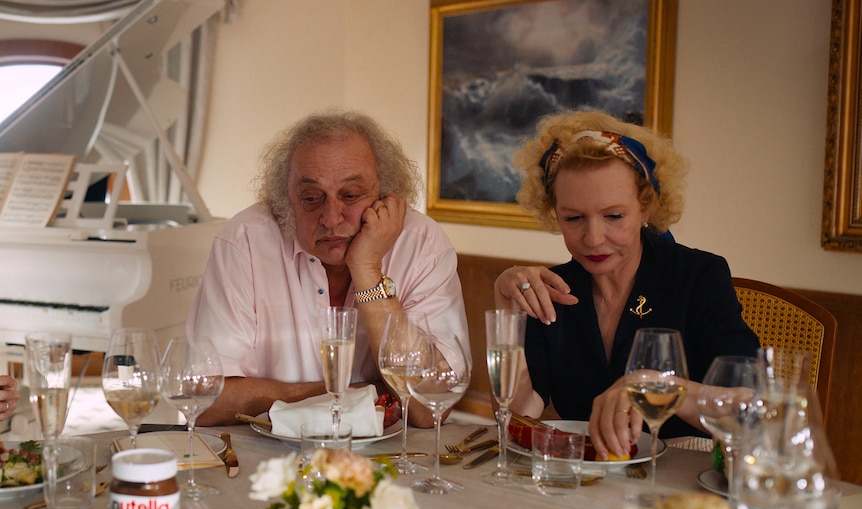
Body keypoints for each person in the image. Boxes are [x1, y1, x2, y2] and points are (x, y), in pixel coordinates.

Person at [495, 110, 759, 460]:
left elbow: (751, 409)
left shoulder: (697, 276)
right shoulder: (555, 290)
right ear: (554, 213)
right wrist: (504, 304)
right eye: (574, 218)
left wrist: (656, 387)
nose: (593, 238)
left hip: (681, 479)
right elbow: (521, 412)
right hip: (587, 479)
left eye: (614, 216)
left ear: (646, 207)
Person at [188, 110, 469, 428]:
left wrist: (366, 269)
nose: (331, 217)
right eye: (310, 197)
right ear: (286, 199)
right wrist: (351, 395)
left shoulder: (422, 244)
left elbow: (427, 406)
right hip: (264, 458)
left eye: (350, 196)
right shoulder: (244, 242)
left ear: (384, 195)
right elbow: (204, 400)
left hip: (392, 461)